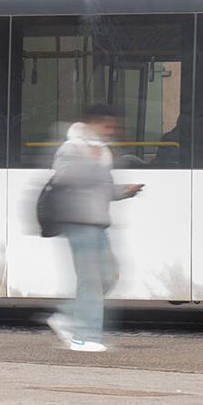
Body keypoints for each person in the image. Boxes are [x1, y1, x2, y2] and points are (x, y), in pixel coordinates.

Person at [46, 104, 143, 352]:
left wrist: (124, 191)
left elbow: (102, 189)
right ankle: (83, 337)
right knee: (90, 281)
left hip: (98, 223)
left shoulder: (101, 151)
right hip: (78, 222)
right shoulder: (72, 148)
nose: (111, 131)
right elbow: (63, 179)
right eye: (107, 126)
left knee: (108, 277)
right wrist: (89, 159)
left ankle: (67, 317)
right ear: (92, 124)